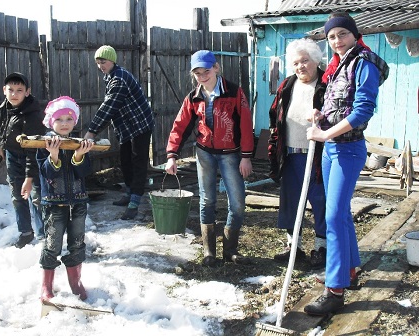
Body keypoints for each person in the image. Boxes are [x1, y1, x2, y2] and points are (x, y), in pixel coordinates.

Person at [304, 12, 389, 316]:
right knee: (339, 215)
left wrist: (325, 133)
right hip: (331, 150)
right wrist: (320, 116)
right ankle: (349, 272)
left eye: (342, 34)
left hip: (348, 150)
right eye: (331, 36)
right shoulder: (339, 64)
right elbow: (337, 105)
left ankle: (334, 291)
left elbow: (362, 111)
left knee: (334, 217)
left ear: (354, 34)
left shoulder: (363, 63)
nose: (337, 41)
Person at [165, 50, 254, 266]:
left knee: (238, 203)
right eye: (197, 73)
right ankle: (209, 252)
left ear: (216, 68)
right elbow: (181, 126)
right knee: (207, 200)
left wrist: (246, 156)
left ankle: (230, 250)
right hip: (205, 153)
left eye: (206, 71)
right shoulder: (193, 97)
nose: (203, 76)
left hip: (231, 155)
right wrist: (172, 155)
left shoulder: (234, 92)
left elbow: (245, 125)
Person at [268, 38, 327, 270]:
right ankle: (294, 245)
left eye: (305, 61)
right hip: (291, 154)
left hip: (317, 155)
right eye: (296, 63)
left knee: (319, 199)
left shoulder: (326, 84)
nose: (301, 66)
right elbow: (275, 114)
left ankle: (321, 247)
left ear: (315, 60)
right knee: (292, 201)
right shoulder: (287, 85)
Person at [84, 45, 154, 220]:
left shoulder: (119, 79)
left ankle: (135, 202)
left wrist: (92, 131)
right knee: (125, 160)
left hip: (140, 124)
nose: (101, 65)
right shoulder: (109, 76)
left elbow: (109, 107)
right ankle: (130, 192)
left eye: (104, 62)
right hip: (126, 127)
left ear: (112, 61)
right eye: (98, 62)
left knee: (138, 162)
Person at [37, 96, 94, 302]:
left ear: (75, 122)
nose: (64, 124)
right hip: (54, 204)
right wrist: (53, 155)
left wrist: (79, 155)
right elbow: (46, 174)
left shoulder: (80, 143)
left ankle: (75, 281)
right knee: (52, 244)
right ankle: (46, 285)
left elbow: (85, 172)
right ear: (51, 121)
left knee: (77, 242)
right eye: (59, 119)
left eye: (68, 119)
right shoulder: (43, 143)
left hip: (78, 203)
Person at [0, 72, 45, 248]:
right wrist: (1, 145)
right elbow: (3, 128)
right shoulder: (5, 107)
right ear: (4, 90)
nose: (14, 94)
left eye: (19, 90)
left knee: (35, 196)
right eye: (11, 90)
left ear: (27, 92)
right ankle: (25, 232)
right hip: (12, 155)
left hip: (32, 156)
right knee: (17, 195)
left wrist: (29, 178)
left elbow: (34, 149)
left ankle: (43, 235)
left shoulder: (32, 115)